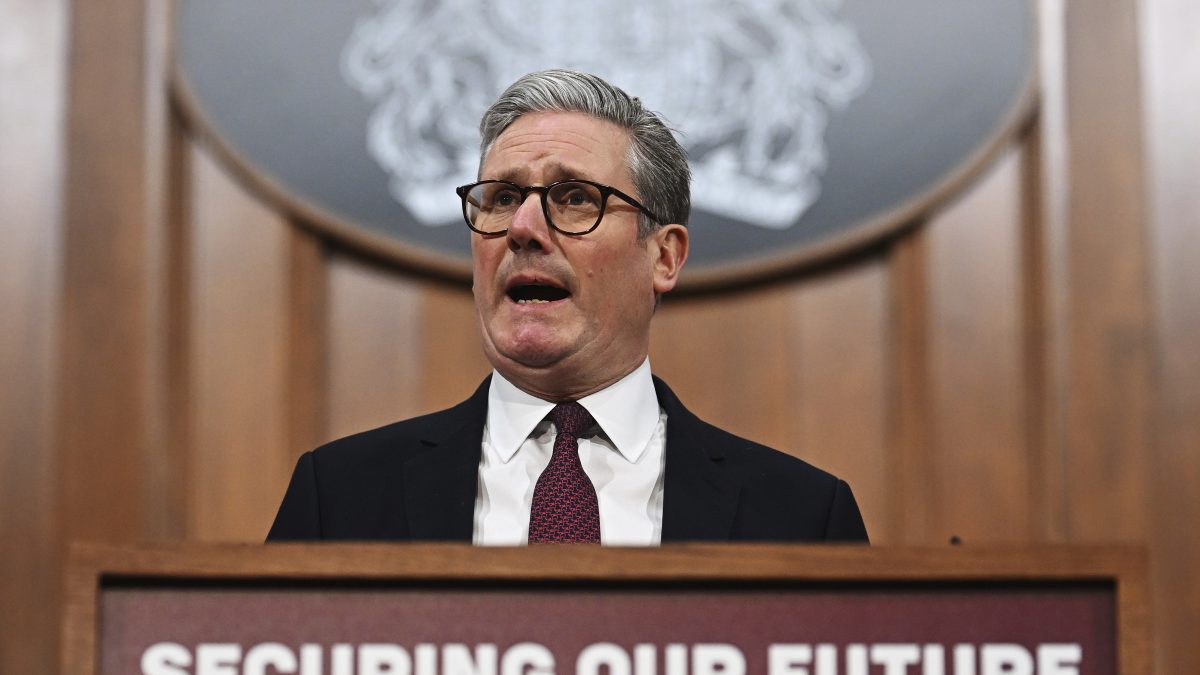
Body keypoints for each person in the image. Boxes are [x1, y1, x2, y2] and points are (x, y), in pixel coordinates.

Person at [268, 69, 868, 544]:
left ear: (664, 257)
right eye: (501, 198)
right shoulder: (337, 498)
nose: (523, 228)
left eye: (576, 198)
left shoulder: (803, 515)